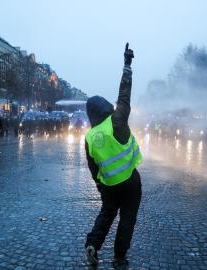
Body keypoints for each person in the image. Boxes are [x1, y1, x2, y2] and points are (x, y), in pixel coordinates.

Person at [84, 43, 142, 269]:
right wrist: (127, 65)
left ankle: (93, 245)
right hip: (130, 180)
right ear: (106, 107)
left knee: (106, 214)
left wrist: (101, 187)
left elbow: (93, 168)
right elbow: (124, 95)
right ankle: (119, 255)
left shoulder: (89, 136)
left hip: (109, 185)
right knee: (127, 218)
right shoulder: (117, 120)